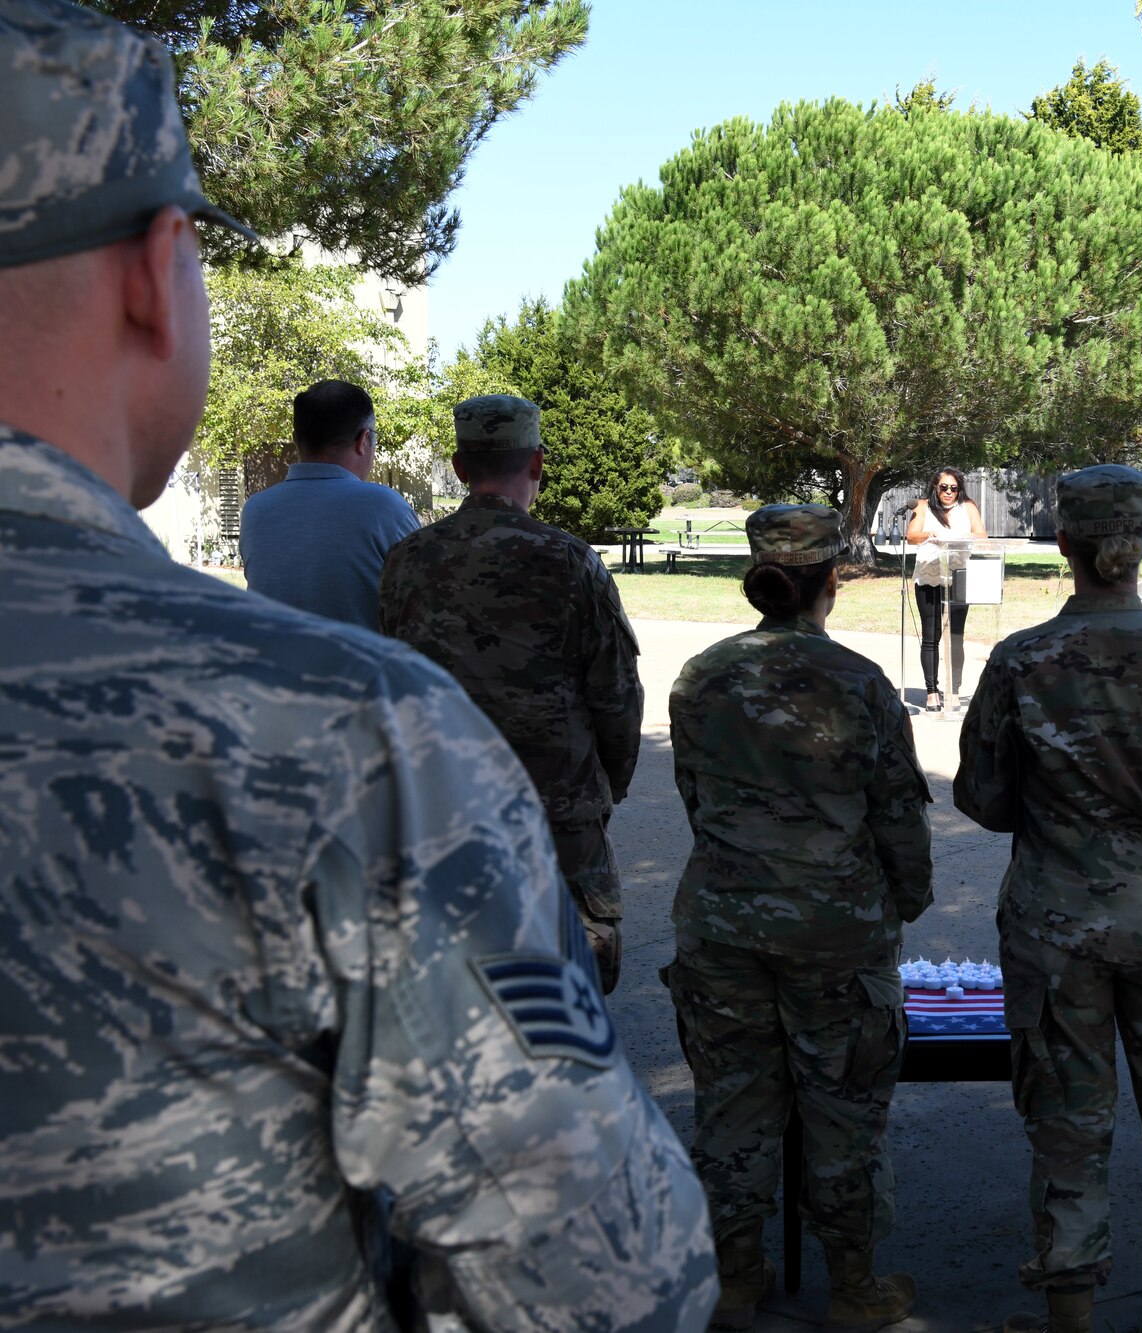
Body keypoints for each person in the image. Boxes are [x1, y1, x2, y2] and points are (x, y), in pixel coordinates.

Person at [0, 5, 715, 1327]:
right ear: (159, 273)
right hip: (538, 816)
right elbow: (604, 1273)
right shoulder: (345, 734)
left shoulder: (390, 574)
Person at [955, 465, 1142, 1333]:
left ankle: (1073, 1320)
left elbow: (981, 796)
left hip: (1055, 935)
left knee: (1066, 1130)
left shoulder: (1022, 660)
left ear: (1065, 545)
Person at [667, 504, 934, 1333]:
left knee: (731, 1105)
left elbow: (694, 800)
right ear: (831, 579)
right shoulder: (858, 682)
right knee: (845, 1108)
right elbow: (900, 823)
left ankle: (735, 1277)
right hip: (836, 932)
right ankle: (853, 1286)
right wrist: (904, 901)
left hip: (722, 924)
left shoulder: (700, 676)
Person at [379, 396, 642, 992]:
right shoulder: (569, 560)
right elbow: (617, 696)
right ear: (538, 464)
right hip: (558, 818)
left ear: (458, 466)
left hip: (445, 814)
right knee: (566, 999)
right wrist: (607, 788)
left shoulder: (407, 561)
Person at [238, 378, 418, 631]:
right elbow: (421, 601)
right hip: (359, 668)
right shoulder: (384, 507)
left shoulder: (255, 510)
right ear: (364, 440)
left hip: (272, 667)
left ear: (296, 439)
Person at [904, 465, 986, 710]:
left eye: (953, 487)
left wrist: (961, 538)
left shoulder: (968, 507)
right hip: (930, 574)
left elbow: (981, 536)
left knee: (956, 636)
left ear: (959, 488)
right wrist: (930, 534)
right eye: (944, 487)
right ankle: (932, 692)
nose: (949, 492)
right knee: (931, 636)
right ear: (935, 487)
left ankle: (953, 691)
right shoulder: (922, 506)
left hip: (959, 574)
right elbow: (911, 536)